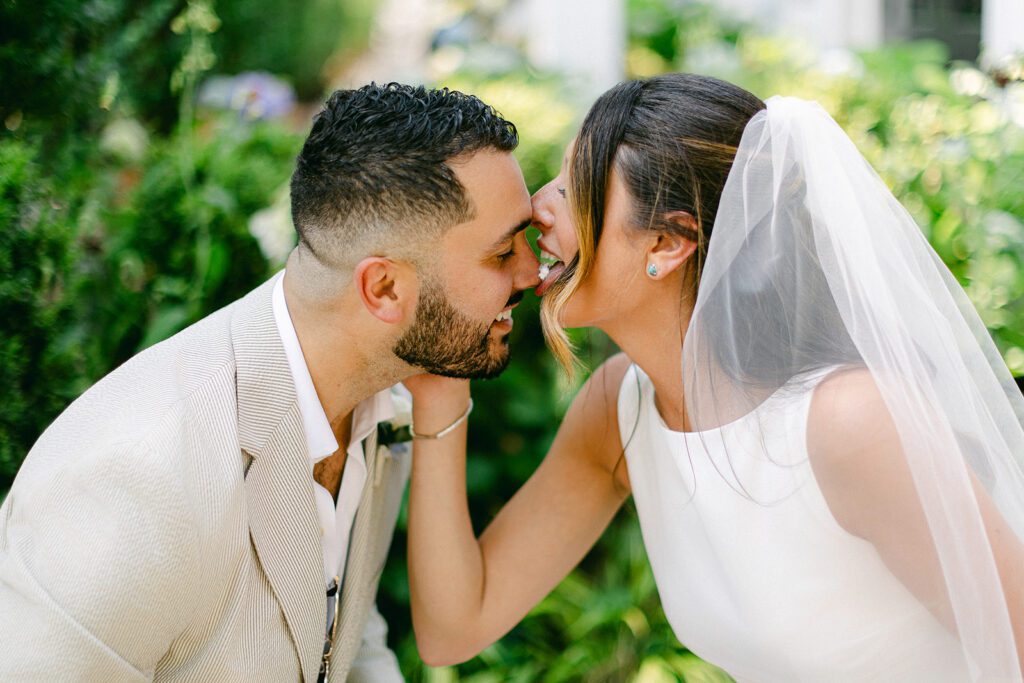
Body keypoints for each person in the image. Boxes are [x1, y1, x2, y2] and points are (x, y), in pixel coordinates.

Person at [404, 73, 1024, 681]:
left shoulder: (849, 422)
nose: (537, 206)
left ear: (669, 244)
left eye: (572, 187)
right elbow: (454, 629)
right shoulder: (618, 408)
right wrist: (439, 392)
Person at [0, 83, 540, 682]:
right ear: (384, 289)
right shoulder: (138, 477)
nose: (533, 270)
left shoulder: (378, 405)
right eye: (501, 252)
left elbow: (344, 643)